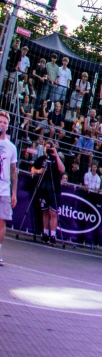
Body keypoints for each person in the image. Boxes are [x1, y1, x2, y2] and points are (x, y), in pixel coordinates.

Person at [0, 110, 17, 266]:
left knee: (1, 222)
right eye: (0, 122)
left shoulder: (11, 147)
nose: (2, 124)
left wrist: (14, 192)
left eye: (5, 122)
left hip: (4, 189)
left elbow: (13, 170)